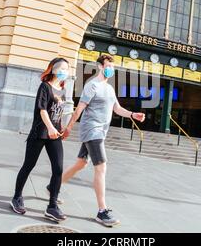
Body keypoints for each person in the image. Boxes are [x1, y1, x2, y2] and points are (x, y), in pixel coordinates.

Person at [61, 54, 145, 227]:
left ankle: (53, 186)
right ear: (100, 66)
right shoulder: (92, 85)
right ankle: (102, 211)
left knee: (81, 163)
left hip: (100, 132)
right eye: (107, 66)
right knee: (101, 167)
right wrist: (69, 127)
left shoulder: (109, 88)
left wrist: (132, 115)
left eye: (112, 67)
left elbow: (117, 108)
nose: (110, 70)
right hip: (92, 131)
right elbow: (79, 109)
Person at [10, 57, 70, 222]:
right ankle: (16, 197)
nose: (66, 71)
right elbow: (42, 110)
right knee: (28, 165)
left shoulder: (63, 90)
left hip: (55, 135)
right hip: (40, 132)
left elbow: (58, 111)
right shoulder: (45, 86)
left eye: (68, 69)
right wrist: (50, 127)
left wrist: (61, 127)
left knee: (58, 169)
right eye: (63, 68)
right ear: (53, 69)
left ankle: (52, 207)